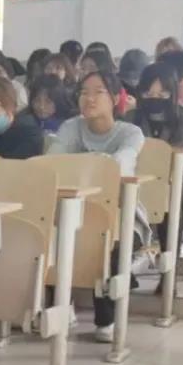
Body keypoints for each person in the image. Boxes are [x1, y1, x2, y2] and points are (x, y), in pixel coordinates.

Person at [49, 69, 146, 342]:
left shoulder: (131, 133)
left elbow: (118, 166)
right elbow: (53, 161)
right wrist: (94, 164)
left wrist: (81, 165)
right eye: (83, 92)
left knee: (107, 242)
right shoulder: (71, 127)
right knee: (48, 234)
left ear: (115, 98)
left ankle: (106, 318)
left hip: (120, 216)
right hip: (72, 212)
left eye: (98, 92)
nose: (89, 98)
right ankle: (59, 306)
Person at [125, 63, 183, 250]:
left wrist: (166, 178)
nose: (155, 99)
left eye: (162, 94)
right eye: (148, 94)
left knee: (171, 194)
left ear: (173, 93)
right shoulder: (131, 118)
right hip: (141, 181)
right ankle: (128, 255)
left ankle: (170, 256)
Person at [80, 49, 132, 114]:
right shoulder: (75, 91)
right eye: (82, 68)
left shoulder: (116, 90)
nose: (86, 72)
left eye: (92, 68)